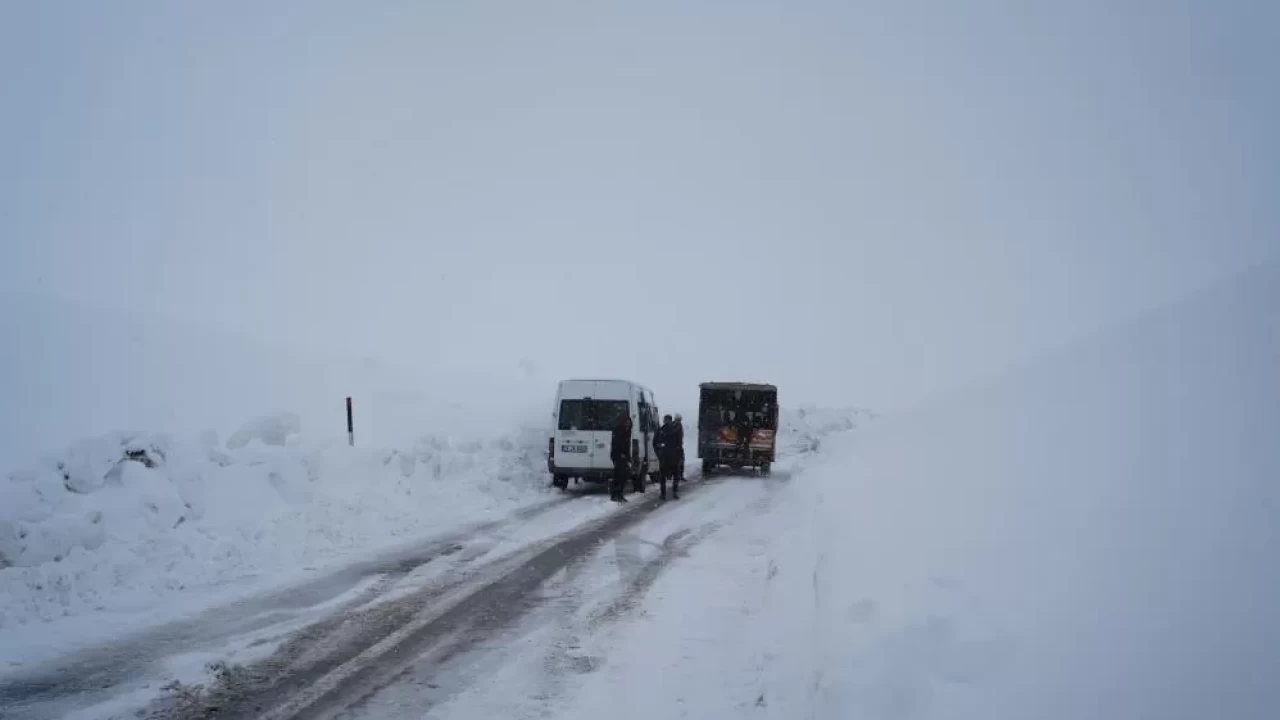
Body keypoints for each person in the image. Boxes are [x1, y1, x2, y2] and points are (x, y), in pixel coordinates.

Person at [610, 413, 632, 503]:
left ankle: (618, 494)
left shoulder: (626, 431)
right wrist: (621, 454)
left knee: (624, 476)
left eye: (628, 422)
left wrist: (628, 457)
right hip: (619, 456)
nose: (628, 424)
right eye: (626, 422)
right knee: (619, 476)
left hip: (623, 456)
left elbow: (626, 446)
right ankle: (616, 494)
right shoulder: (619, 431)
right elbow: (618, 444)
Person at [654, 414, 677, 500]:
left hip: (673, 457)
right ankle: (663, 494)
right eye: (666, 420)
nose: (667, 422)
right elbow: (655, 443)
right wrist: (659, 453)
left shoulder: (674, 431)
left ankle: (674, 492)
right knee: (663, 477)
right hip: (664, 457)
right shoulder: (661, 431)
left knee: (675, 475)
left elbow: (679, 444)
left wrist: (678, 454)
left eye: (668, 420)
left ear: (671, 421)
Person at [671, 413, 686, 499]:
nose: (679, 421)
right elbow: (679, 437)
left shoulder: (674, 425)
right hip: (677, 448)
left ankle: (680, 475)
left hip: (675, 448)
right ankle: (680, 475)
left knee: (680, 462)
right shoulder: (677, 426)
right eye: (679, 419)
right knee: (679, 463)